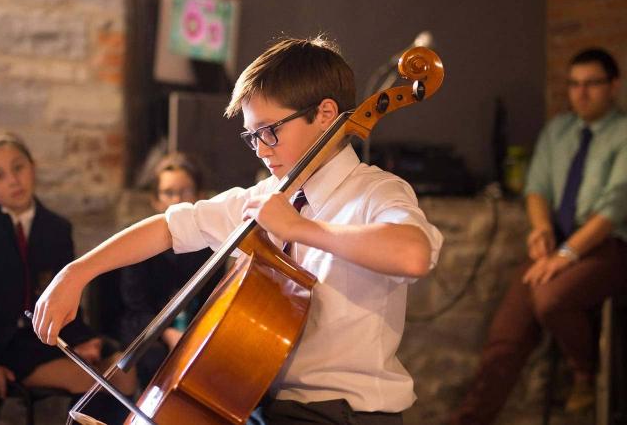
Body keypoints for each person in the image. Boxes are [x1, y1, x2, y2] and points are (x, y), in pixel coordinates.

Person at [32, 37, 443, 425]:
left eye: (270, 131)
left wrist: (299, 228)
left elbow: (413, 254)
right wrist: (78, 272)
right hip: (274, 409)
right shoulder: (265, 197)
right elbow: (168, 228)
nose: (262, 149)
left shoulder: (375, 192)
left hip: (347, 414)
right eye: (252, 137)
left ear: (325, 114)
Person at [449, 48, 627, 424]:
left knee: (549, 299)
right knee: (505, 336)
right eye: (574, 84)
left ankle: (584, 374)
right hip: (556, 243)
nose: (581, 93)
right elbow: (536, 189)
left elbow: (614, 207)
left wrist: (565, 255)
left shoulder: (623, 133)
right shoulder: (558, 131)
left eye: (592, 84)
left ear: (613, 85)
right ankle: (469, 420)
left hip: (607, 247)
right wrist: (542, 230)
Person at [0, 132, 135, 422]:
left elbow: (65, 293)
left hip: (47, 336)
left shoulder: (56, 227)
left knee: (125, 370)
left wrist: (79, 340)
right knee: (97, 384)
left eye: (18, 167)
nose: (13, 179)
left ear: (33, 167)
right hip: (3, 343)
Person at [118, 152, 220, 387]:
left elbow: (212, 300)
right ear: (156, 200)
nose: (177, 200)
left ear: (200, 196)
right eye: (168, 193)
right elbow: (136, 306)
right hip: (147, 328)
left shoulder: (211, 245)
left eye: (185, 191)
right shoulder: (140, 244)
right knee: (154, 360)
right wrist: (168, 333)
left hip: (193, 329)